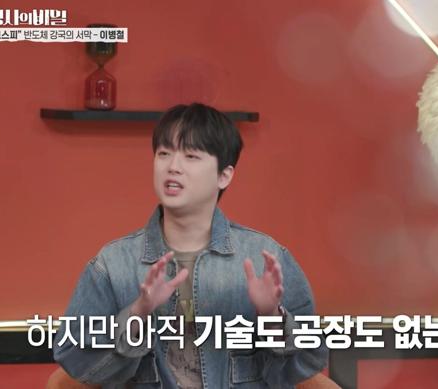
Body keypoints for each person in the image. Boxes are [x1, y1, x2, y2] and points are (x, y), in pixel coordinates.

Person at [53, 103, 328, 388]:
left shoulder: (264, 259)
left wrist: (272, 318)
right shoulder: (113, 264)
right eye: (164, 153)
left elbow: (309, 363)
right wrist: (137, 314)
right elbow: (76, 362)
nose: (173, 166)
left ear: (224, 175)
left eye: (191, 156)